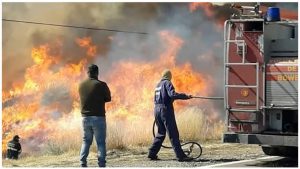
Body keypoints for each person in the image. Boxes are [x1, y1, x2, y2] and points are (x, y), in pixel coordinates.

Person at [148, 69, 194, 162]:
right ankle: (181, 156)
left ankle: (152, 153)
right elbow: (172, 95)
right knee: (173, 133)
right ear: (169, 76)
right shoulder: (167, 83)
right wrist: (185, 96)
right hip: (165, 110)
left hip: (157, 110)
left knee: (160, 133)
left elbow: (160, 98)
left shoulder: (158, 85)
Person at [79, 64, 111, 167]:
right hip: (98, 117)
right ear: (97, 73)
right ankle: (101, 163)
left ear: (87, 73)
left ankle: (82, 162)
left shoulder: (81, 85)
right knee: (100, 142)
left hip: (85, 118)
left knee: (86, 141)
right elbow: (108, 98)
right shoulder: (101, 84)